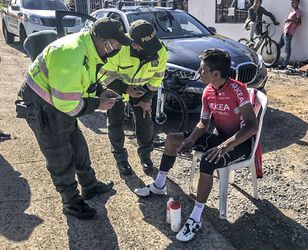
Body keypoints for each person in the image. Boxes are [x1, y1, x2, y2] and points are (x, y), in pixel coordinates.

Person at [134, 49, 258, 241]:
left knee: (207, 162)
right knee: (172, 139)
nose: (198, 72)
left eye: (202, 70)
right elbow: (203, 123)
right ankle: (159, 185)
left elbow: (251, 125)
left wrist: (224, 146)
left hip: (240, 143)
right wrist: (190, 140)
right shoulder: (208, 91)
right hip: (220, 138)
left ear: (215, 74)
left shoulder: (237, 89)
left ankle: (196, 217)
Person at [15, 18, 133, 220]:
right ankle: (71, 202)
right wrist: (97, 104)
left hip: (58, 102)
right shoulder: (70, 53)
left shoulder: (90, 48)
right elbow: (68, 105)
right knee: (59, 155)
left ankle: (90, 186)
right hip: (43, 106)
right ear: (102, 40)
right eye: (115, 43)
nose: (116, 48)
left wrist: (101, 92)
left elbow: (86, 81)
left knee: (78, 146)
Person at [99, 20, 168, 176]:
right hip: (116, 89)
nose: (151, 50)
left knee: (145, 120)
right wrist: (125, 89)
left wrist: (146, 99)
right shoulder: (118, 48)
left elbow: (157, 78)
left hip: (141, 90)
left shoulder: (160, 50)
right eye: (145, 46)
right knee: (116, 122)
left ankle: (146, 156)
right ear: (134, 44)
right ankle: (121, 159)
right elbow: (104, 76)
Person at [277, 0, 302, 69]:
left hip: (289, 33)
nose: (291, 3)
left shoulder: (298, 11)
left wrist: (290, 20)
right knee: (277, 47)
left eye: (293, 2)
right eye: (291, 2)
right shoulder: (292, 11)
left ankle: (284, 65)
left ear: (297, 3)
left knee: (287, 50)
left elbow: (299, 22)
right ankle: (275, 61)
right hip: (284, 32)